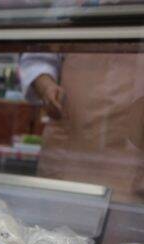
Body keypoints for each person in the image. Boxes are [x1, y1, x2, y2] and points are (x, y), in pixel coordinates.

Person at [20, 52, 144, 203]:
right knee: (59, 209)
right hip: (70, 146)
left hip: (132, 159)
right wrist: (47, 88)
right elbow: (36, 58)